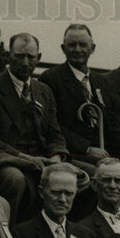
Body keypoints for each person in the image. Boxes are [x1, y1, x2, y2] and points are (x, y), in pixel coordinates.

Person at [0, 32, 67, 222]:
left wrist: (56, 157)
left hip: (41, 161)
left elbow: (55, 133)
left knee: (78, 179)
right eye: (19, 56)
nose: (25, 63)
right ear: (8, 56)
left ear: (38, 58)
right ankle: (6, 230)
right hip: (8, 160)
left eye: (31, 57)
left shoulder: (44, 91)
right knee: (14, 179)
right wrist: (24, 158)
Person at [38, 24, 107, 170]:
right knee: (98, 173)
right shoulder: (50, 79)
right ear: (63, 48)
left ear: (92, 48)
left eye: (83, 45)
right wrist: (86, 148)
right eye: (72, 45)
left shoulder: (101, 81)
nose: (77, 50)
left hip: (101, 153)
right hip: (71, 154)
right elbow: (51, 125)